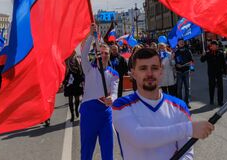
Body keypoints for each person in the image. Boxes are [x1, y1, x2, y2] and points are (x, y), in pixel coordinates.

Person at [112, 47, 214, 159]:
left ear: (161, 71)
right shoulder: (121, 106)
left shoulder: (180, 106)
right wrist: (189, 129)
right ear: (133, 73)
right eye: (143, 68)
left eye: (154, 68)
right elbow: (139, 137)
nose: (149, 73)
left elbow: (186, 152)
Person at [80, 30, 119, 160]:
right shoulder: (89, 69)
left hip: (105, 115)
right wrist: (91, 35)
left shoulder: (114, 74)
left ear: (109, 55)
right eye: (100, 53)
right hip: (88, 114)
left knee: (108, 151)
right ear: (96, 54)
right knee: (86, 151)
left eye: (106, 53)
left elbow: (114, 92)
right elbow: (84, 54)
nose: (103, 55)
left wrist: (111, 99)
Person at [200, 40, 225, 106]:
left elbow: (223, 63)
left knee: (220, 87)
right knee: (211, 86)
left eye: (215, 45)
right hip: (211, 72)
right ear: (211, 46)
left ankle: (220, 101)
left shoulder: (220, 53)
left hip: (219, 72)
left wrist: (225, 70)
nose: (214, 46)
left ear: (217, 46)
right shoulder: (208, 53)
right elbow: (202, 60)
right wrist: (203, 55)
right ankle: (211, 99)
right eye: (213, 45)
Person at [63, 51, 84, 122]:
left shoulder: (77, 59)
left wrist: (81, 79)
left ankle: (76, 110)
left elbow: (80, 70)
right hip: (69, 81)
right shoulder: (66, 60)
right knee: (70, 99)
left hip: (76, 80)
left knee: (77, 98)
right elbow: (64, 70)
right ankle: (72, 114)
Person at [174, 38, 193, 108]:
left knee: (187, 88)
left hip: (186, 71)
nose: (181, 43)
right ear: (178, 43)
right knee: (179, 88)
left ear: (184, 43)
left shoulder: (188, 51)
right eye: (180, 42)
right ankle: (180, 103)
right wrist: (176, 64)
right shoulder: (176, 52)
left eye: (182, 42)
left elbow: (192, 61)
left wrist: (190, 65)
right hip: (178, 72)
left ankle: (187, 102)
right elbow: (173, 62)